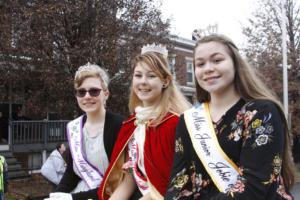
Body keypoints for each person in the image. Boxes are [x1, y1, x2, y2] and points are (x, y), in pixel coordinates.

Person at [164, 34, 295, 200]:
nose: (208, 68)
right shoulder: (187, 120)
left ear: (235, 64)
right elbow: (177, 183)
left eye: (217, 60)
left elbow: (254, 187)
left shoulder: (262, 112)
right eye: (200, 64)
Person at [97, 44, 191, 200]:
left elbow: (174, 184)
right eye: (138, 75)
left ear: (165, 81)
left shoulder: (174, 124)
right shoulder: (133, 123)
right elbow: (133, 176)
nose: (143, 82)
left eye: (151, 76)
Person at [45, 63, 125, 200]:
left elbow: (118, 181)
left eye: (94, 91)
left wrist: (73, 198)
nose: (87, 96)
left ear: (106, 94)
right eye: (81, 92)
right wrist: (56, 195)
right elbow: (71, 173)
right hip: (79, 194)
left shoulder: (120, 125)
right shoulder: (74, 127)